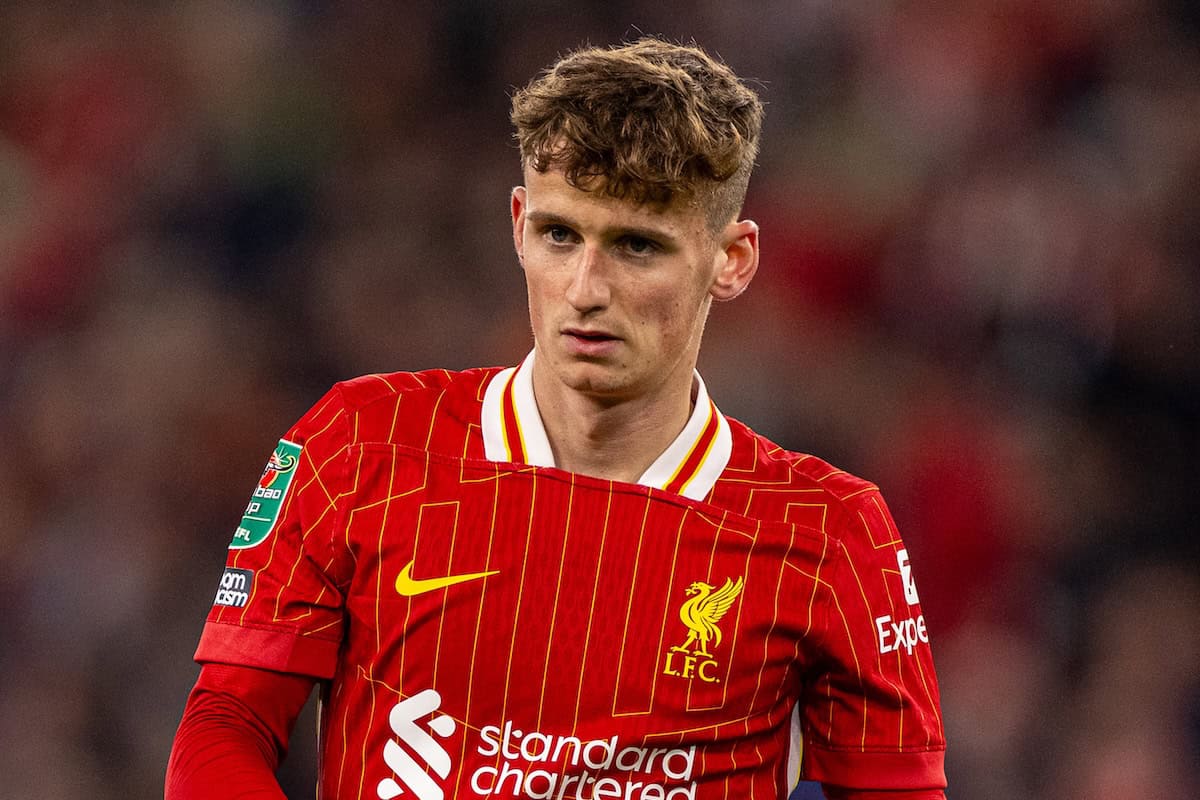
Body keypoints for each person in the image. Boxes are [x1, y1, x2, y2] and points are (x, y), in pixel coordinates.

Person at [166, 37, 947, 800]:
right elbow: (226, 722)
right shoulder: (363, 442)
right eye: (559, 235)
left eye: (637, 247)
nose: (584, 288)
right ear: (517, 223)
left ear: (731, 260)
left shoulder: (831, 532)